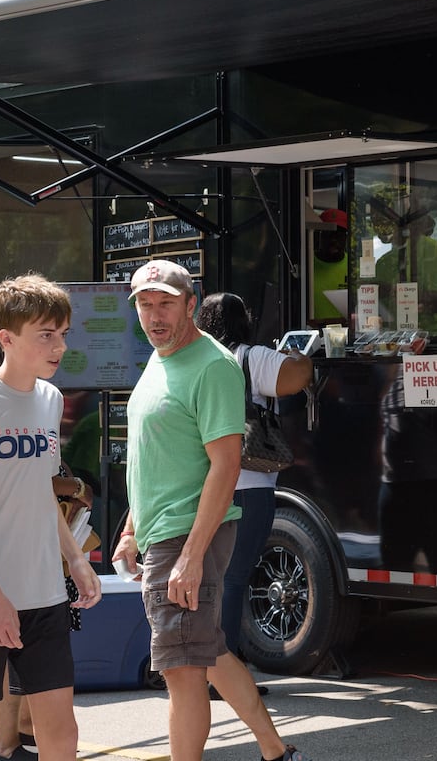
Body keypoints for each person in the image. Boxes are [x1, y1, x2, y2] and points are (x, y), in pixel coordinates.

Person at [111, 260, 312, 761]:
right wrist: (133, 528)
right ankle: (275, 751)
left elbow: (225, 467)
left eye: (165, 303)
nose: (154, 315)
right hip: (164, 534)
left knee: (182, 674)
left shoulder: (213, 365)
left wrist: (191, 556)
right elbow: (154, 456)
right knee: (211, 652)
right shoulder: (161, 358)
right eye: (145, 303)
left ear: (191, 304)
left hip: (187, 536)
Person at [0, 274, 102, 761]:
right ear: (7, 338)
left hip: (43, 595)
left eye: (63, 333)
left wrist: (76, 560)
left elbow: (39, 490)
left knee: (62, 736)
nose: (59, 346)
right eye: (46, 335)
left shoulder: (51, 400)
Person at [194, 292, 313, 678]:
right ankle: (225, 671)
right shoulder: (251, 356)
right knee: (234, 576)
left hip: (203, 483)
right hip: (250, 482)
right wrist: (298, 355)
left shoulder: (197, 360)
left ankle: (206, 664)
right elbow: (298, 378)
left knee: (210, 576)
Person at [373, 194, 437, 337]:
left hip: (433, 336)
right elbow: (374, 303)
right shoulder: (383, 261)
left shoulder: (434, 251)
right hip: (393, 338)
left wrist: (414, 297)